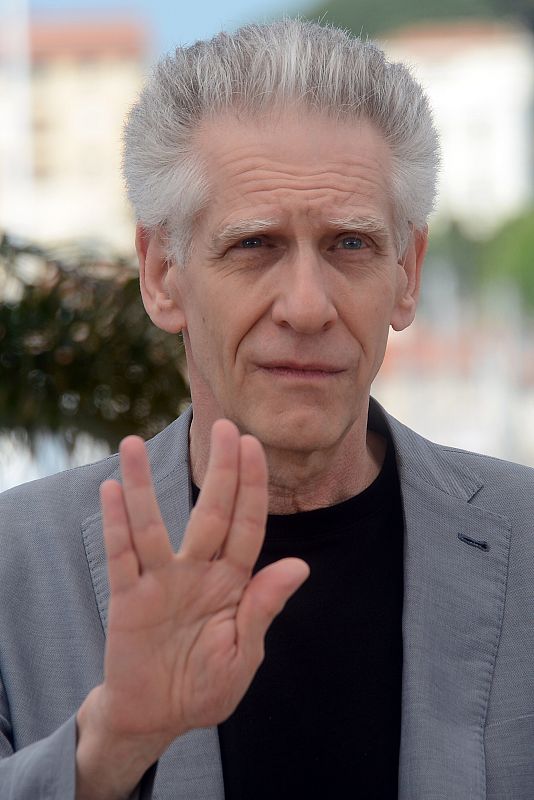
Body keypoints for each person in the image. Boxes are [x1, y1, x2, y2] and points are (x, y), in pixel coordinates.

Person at [0, 18, 533, 800]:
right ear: (162, 275)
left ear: (407, 273)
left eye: (351, 244)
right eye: (255, 245)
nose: (308, 306)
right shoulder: (15, 567)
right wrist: (111, 747)